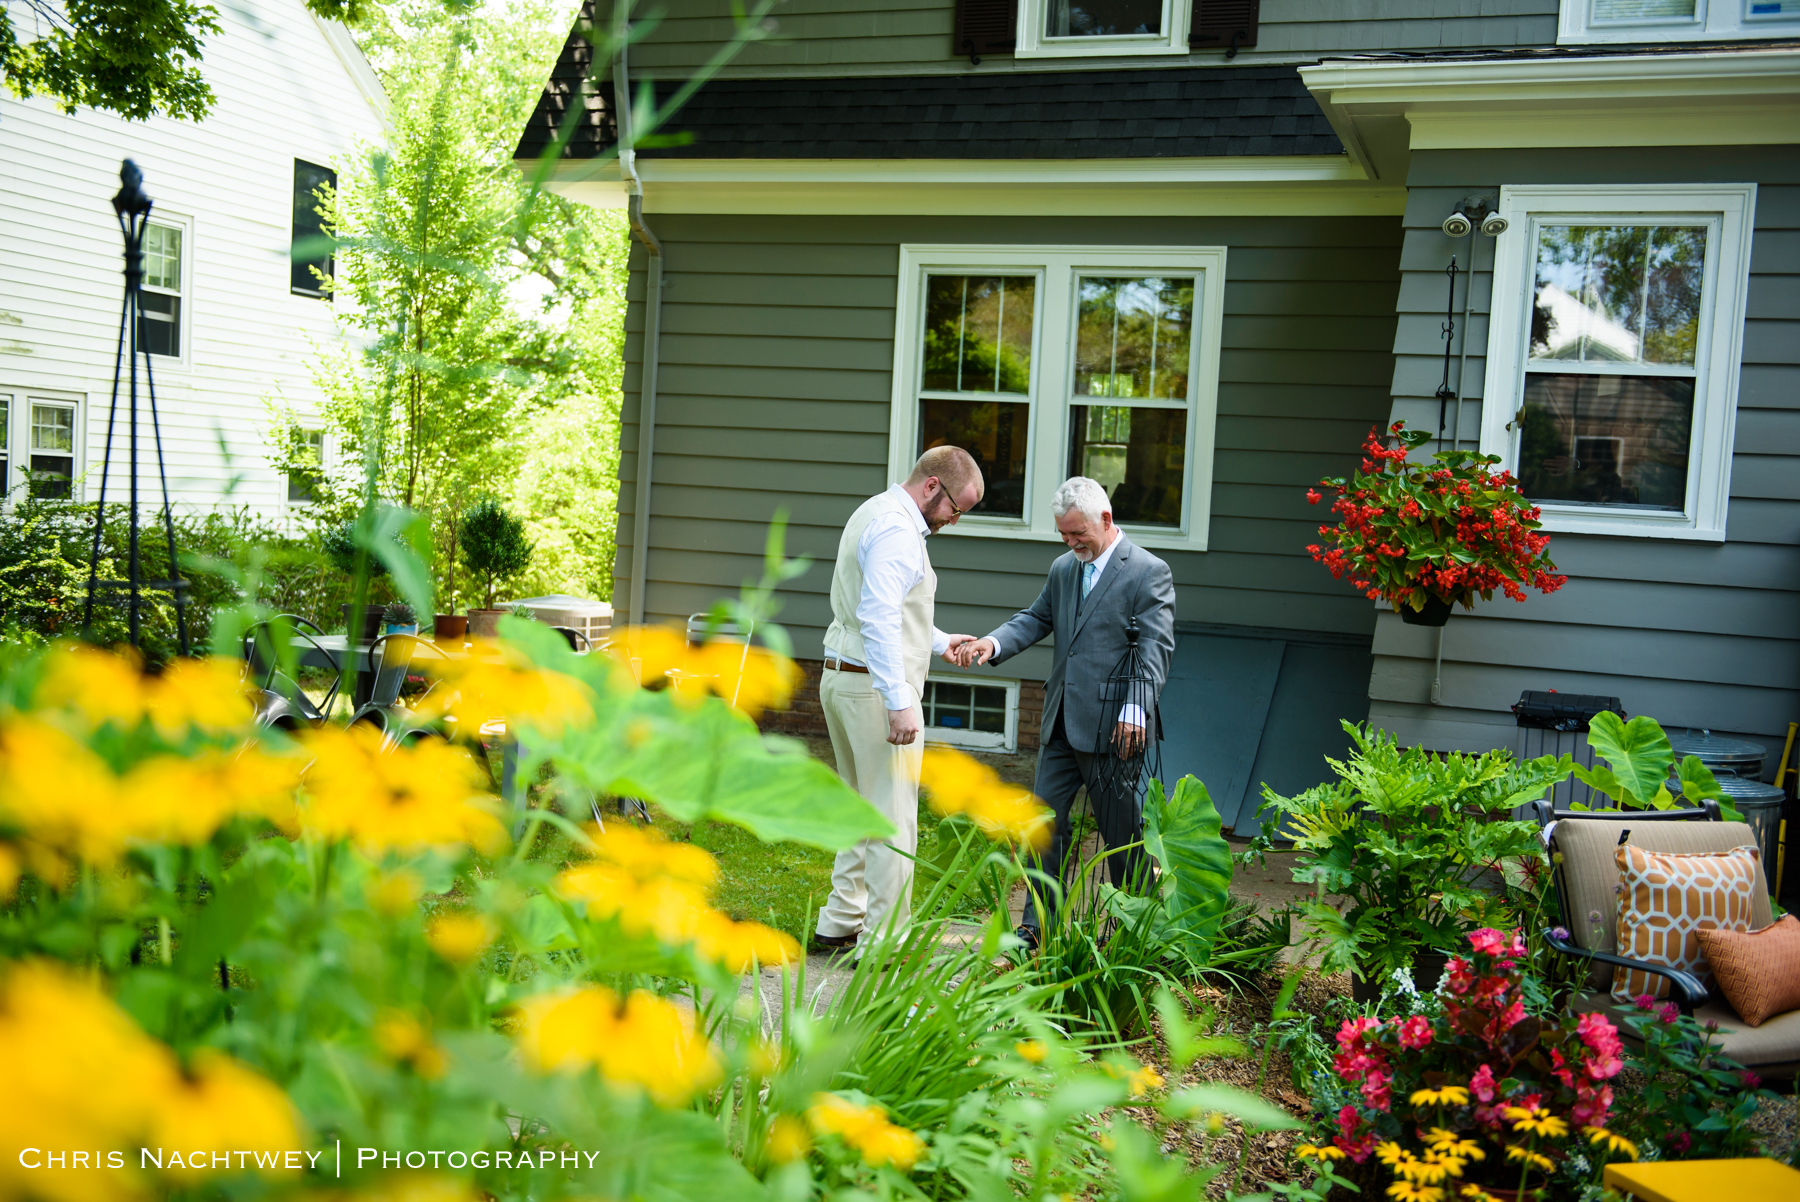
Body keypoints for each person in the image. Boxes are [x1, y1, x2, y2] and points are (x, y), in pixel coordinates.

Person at [958, 476, 1175, 948]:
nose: (1071, 542)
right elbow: (1038, 617)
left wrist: (1136, 709)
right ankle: (1037, 928)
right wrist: (992, 642)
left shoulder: (1147, 571)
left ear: (1106, 519)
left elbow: (1156, 649)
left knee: (1122, 837)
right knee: (1043, 827)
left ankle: (1138, 929)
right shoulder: (1063, 568)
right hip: (1060, 723)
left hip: (1116, 729)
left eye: (1078, 534)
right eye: (1063, 534)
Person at [811, 446, 985, 955]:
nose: (956, 520)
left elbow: (886, 609)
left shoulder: (877, 512)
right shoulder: (897, 531)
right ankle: (882, 943)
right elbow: (880, 617)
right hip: (874, 687)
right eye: (957, 508)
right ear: (933, 486)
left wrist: (940, 640)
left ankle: (841, 919)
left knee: (859, 809)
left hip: (845, 676)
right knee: (892, 818)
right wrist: (898, 700)